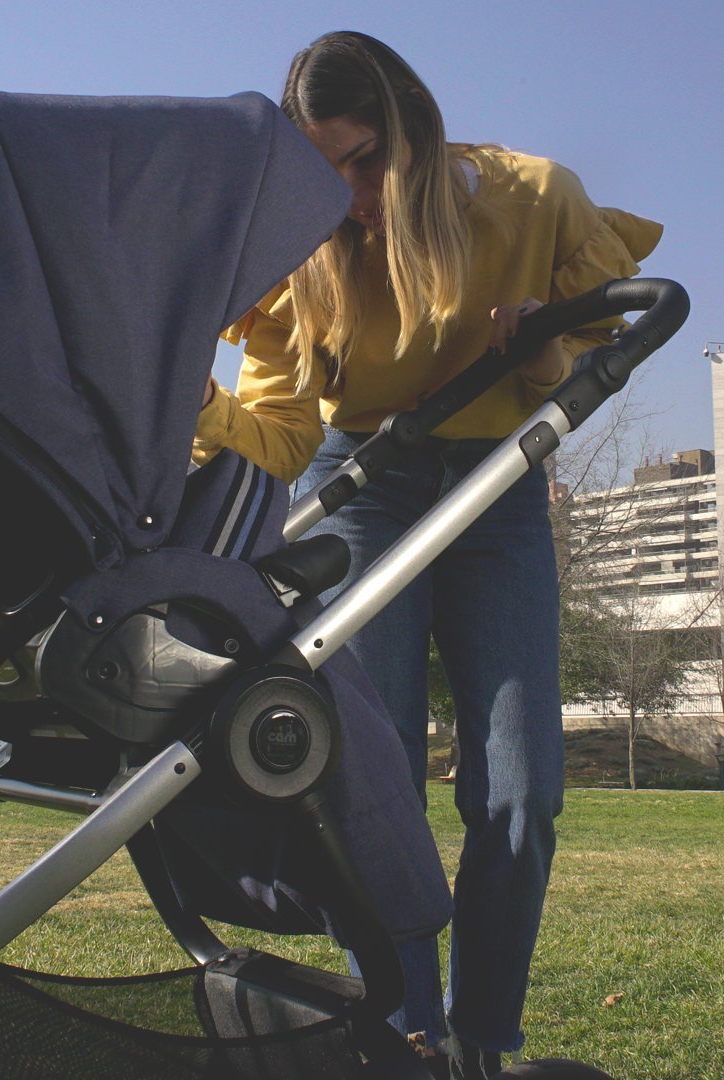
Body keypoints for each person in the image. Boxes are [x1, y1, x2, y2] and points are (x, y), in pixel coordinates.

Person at [193, 30, 661, 1080]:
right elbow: (278, 440)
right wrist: (190, 398)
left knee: (521, 788)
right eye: (322, 174)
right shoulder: (304, 254)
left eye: (363, 161)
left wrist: (540, 341)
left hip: (497, 491)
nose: (350, 194)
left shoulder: (535, 198)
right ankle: (403, 1031)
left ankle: (482, 1037)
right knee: (376, 774)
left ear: (411, 124)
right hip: (367, 488)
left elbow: (573, 371)